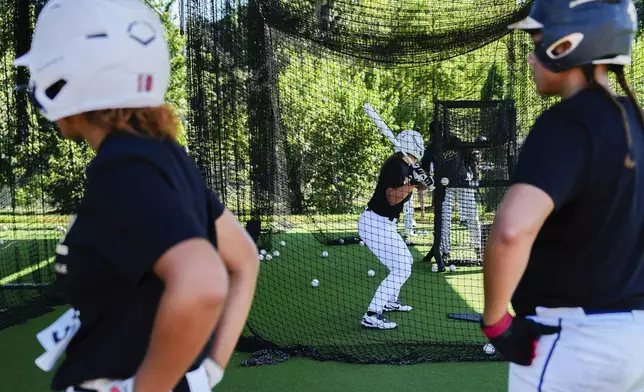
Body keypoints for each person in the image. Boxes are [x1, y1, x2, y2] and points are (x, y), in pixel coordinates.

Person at [18, 1, 259, 391]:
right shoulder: (162, 152)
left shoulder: (123, 166)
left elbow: (203, 281)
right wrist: (208, 371)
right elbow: (243, 258)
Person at [481, 0, 644, 390]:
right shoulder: (635, 122)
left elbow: (511, 231)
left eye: (538, 41)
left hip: (571, 340)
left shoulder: (567, 120)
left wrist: (495, 322)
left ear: (567, 44)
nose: (531, 58)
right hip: (635, 339)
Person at [358, 130, 432, 329]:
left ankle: (389, 301)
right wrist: (414, 184)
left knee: (405, 261)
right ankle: (372, 314)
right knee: (401, 269)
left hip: (384, 223)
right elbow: (392, 197)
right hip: (375, 223)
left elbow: (414, 187)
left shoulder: (406, 165)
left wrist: (422, 183)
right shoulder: (396, 165)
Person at [421, 130, 483, 265]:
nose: (436, 135)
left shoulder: (455, 141)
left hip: (463, 182)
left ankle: (478, 248)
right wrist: (427, 178)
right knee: (444, 218)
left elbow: (470, 158)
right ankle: (445, 251)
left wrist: (475, 175)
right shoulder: (431, 148)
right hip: (445, 187)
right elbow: (424, 166)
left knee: (472, 215)